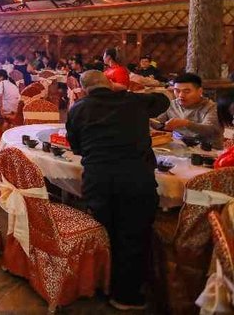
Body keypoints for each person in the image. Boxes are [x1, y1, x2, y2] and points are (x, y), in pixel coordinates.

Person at [66, 70, 170, 310]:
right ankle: (126, 295)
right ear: (110, 83)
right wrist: (125, 90)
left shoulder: (78, 109)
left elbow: (77, 148)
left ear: (84, 89)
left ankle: (100, 284)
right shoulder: (134, 101)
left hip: (98, 180)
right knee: (133, 235)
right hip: (136, 179)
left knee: (104, 233)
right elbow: (164, 100)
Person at [151, 73, 222, 149]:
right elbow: (158, 122)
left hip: (207, 148)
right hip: (179, 145)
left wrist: (186, 123)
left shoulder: (211, 107)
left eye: (187, 91)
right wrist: (147, 119)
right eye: (177, 91)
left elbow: (211, 129)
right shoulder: (172, 104)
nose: (181, 95)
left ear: (200, 91)